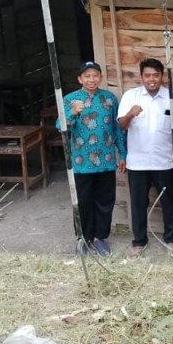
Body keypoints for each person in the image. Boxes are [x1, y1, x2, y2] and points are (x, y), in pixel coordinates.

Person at [118, 58, 173, 258]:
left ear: (162, 76)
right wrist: (130, 114)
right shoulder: (131, 96)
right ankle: (139, 241)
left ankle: (171, 240)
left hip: (164, 160)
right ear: (141, 76)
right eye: (147, 75)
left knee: (169, 202)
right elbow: (122, 125)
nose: (152, 79)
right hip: (138, 162)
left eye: (156, 75)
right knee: (138, 203)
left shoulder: (172, 97)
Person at [58, 61, 126, 257]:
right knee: (82, 202)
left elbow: (117, 129)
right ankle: (83, 239)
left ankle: (99, 238)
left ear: (101, 78)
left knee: (105, 201)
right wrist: (72, 112)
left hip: (106, 161)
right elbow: (60, 126)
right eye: (87, 76)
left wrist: (122, 154)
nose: (91, 79)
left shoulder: (110, 99)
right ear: (80, 79)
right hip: (81, 163)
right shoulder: (70, 100)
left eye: (95, 75)